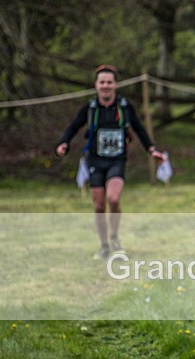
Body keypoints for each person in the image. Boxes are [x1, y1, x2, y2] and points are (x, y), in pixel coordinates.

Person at [56, 64, 166, 259]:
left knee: (113, 199)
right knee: (99, 206)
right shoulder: (90, 108)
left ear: (115, 85)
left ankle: (114, 237)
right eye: (102, 82)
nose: (105, 86)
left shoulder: (124, 107)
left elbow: (139, 129)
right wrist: (64, 143)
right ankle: (104, 245)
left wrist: (152, 149)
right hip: (95, 161)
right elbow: (73, 126)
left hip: (117, 160)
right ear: (96, 85)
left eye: (109, 82)